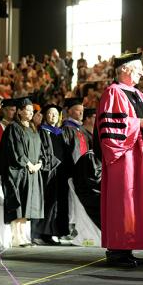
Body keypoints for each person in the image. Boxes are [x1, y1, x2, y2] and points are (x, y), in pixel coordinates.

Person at [96, 52, 143, 267]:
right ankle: (117, 251)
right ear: (125, 69)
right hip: (124, 159)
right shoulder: (112, 92)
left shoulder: (138, 94)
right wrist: (140, 124)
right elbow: (110, 127)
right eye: (139, 69)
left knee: (136, 202)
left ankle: (128, 248)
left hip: (140, 156)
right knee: (124, 201)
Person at [0, 96, 44, 247]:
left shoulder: (33, 129)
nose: (31, 113)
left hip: (32, 172)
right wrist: (27, 164)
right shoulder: (13, 128)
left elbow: (40, 149)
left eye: (32, 111)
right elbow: (15, 150)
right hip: (18, 172)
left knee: (27, 206)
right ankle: (16, 237)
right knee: (18, 204)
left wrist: (39, 163)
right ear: (19, 111)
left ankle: (23, 236)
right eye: (28, 110)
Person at [31, 104, 68, 245]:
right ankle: (41, 233)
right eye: (50, 113)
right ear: (45, 116)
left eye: (56, 114)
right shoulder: (41, 131)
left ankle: (54, 232)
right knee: (47, 201)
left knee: (58, 202)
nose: (53, 116)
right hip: (48, 171)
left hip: (61, 172)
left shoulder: (60, 132)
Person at [61, 98, 93, 237]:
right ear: (69, 111)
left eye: (82, 111)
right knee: (70, 199)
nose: (81, 113)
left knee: (78, 200)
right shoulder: (66, 128)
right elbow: (67, 150)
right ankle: (69, 226)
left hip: (82, 170)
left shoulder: (81, 130)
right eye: (77, 110)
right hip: (71, 170)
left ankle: (76, 226)